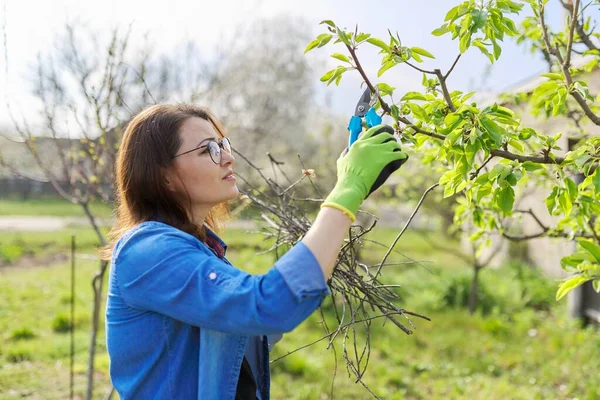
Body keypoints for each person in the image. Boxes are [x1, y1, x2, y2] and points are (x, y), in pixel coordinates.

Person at [100, 103, 407, 400]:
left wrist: (351, 187)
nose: (228, 158)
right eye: (209, 149)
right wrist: (347, 189)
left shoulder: (202, 250)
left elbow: (254, 327)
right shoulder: (148, 252)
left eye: (224, 144)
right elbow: (269, 306)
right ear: (163, 175)